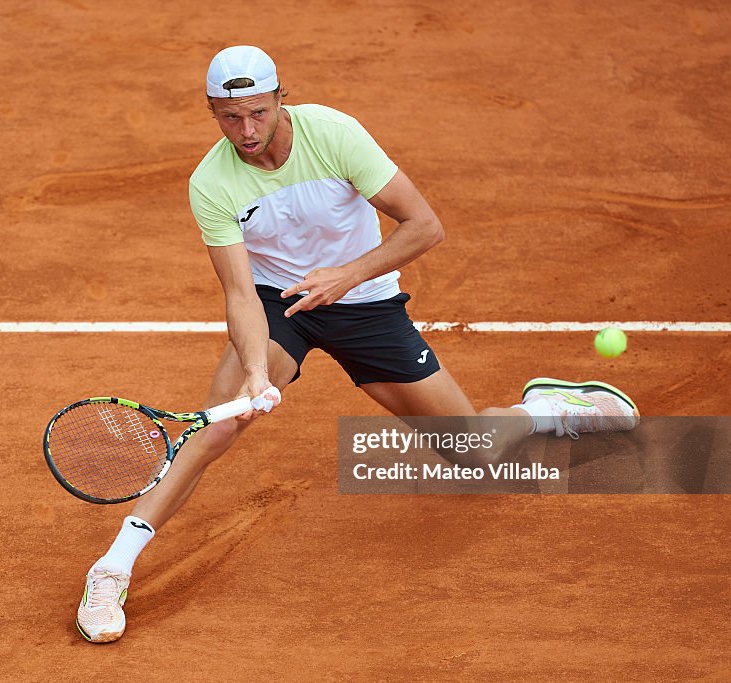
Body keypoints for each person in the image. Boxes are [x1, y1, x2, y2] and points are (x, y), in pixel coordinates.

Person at [74, 45, 640, 642]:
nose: (246, 131)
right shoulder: (211, 183)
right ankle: (112, 567)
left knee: (474, 458)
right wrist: (255, 373)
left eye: (258, 113)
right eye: (230, 117)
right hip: (281, 307)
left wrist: (347, 275)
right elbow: (240, 295)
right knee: (215, 424)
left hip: (364, 304)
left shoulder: (335, 135)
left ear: (280, 99)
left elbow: (424, 226)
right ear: (212, 111)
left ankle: (545, 410)